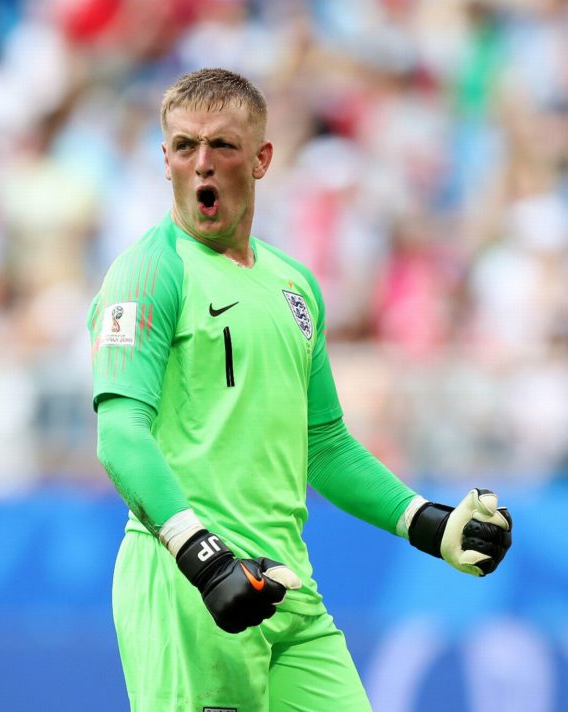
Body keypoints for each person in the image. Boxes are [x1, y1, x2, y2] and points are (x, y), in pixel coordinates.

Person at [87, 68, 512, 711]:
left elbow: (325, 444)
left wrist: (429, 523)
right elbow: (120, 435)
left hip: (287, 588)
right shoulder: (148, 272)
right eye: (184, 146)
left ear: (262, 160)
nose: (201, 164)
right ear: (164, 158)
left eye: (222, 146)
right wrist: (203, 558)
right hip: (188, 585)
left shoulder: (294, 286)